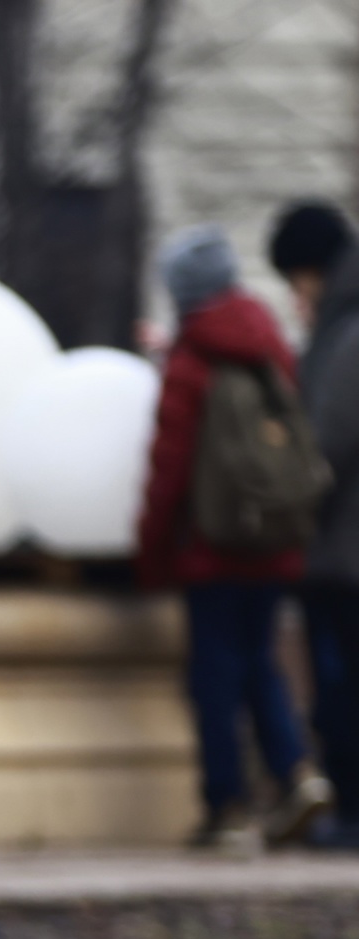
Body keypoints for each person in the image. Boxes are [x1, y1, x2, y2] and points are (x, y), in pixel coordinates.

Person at [135, 224, 336, 850]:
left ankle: (228, 809)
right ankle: (295, 774)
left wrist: (152, 551)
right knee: (262, 667)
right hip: (276, 543)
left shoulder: (193, 358)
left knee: (213, 679)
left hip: (213, 549)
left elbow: (170, 468)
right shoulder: (270, 342)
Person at [270, 200, 359, 847]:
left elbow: (326, 440)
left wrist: (286, 494)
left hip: (342, 550)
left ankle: (351, 814)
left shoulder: (347, 333)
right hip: (339, 548)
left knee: (342, 689)